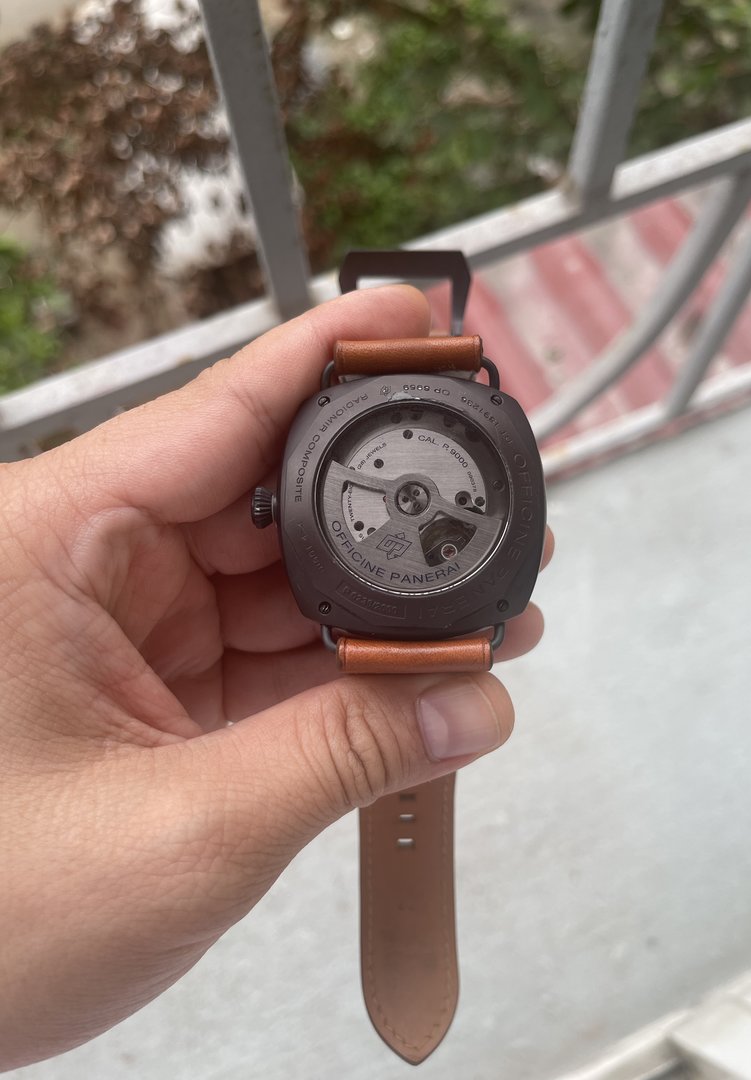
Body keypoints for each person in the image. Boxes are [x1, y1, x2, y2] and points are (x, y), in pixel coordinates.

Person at [0, 284, 552, 1069]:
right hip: (436, 599)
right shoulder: (388, 494)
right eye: (398, 489)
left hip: (448, 599)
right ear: (278, 510)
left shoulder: (339, 459)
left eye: (419, 495)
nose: (411, 496)